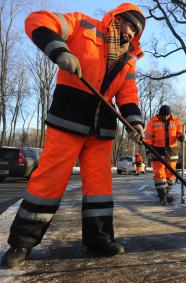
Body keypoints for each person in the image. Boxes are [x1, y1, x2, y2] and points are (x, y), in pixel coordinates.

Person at [1, 3, 146, 268]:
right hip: (68, 119)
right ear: (118, 18)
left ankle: (99, 241)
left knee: (100, 189)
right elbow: (37, 19)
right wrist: (59, 50)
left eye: (136, 32)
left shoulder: (129, 60)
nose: (131, 34)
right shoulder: (82, 25)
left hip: (101, 128)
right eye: (130, 26)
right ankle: (21, 245)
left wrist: (135, 123)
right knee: (48, 182)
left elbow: (127, 95)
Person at [145, 105, 186, 205]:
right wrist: (148, 151)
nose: (165, 118)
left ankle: (166, 194)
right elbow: (148, 138)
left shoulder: (176, 121)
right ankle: (162, 196)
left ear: (170, 114)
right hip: (157, 151)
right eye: (163, 116)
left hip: (172, 152)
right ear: (160, 114)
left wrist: (182, 137)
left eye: (167, 116)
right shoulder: (152, 122)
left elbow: (179, 133)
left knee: (170, 175)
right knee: (159, 174)